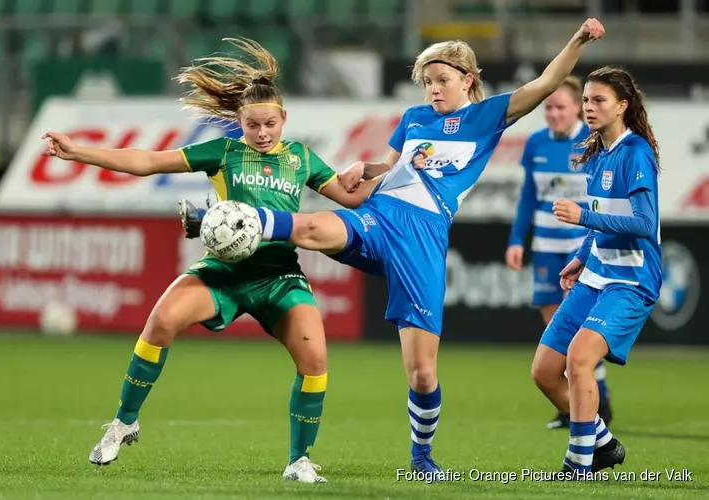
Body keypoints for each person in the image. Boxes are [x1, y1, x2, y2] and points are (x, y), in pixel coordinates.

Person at [234, 19, 605, 473]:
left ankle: (422, 458)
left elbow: (547, 83)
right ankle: (236, 220)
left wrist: (578, 41)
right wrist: (362, 169)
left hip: (424, 237)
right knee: (311, 229)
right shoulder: (413, 119)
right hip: (380, 216)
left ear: (467, 79)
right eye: (427, 81)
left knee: (422, 374)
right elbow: (388, 170)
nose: (433, 89)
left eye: (442, 80)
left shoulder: (485, 116)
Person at [41, 38, 377, 483]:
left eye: (270, 124)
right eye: (253, 124)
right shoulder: (223, 153)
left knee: (315, 362)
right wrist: (78, 151)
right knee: (160, 322)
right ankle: (124, 422)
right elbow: (147, 162)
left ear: (284, 120)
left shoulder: (301, 157)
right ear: (239, 122)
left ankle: (299, 460)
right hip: (224, 273)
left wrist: (391, 169)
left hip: (279, 275)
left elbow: (352, 197)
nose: (262, 133)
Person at [532, 66, 661, 478]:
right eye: (586, 100)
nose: (589, 107)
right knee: (545, 372)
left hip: (631, 279)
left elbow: (645, 223)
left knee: (580, 358)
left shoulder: (635, 152)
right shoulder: (597, 151)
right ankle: (602, 444)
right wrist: (582, 255)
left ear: (622, 106)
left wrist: (583, 217)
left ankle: (578, 464)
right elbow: (606, 216)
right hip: (596, 274)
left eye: (598, 100)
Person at [505, 76, 613, 430]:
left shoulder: (594, 143)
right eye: (548, 107)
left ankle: (595, 398)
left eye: (560, 107)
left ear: (577, 108)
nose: (552, 113)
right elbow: (528, 197)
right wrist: (517, 239)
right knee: (555, 328)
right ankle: (573, 406)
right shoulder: (535, 143)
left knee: (580, 328)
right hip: (547, 248)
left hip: (581, 249)